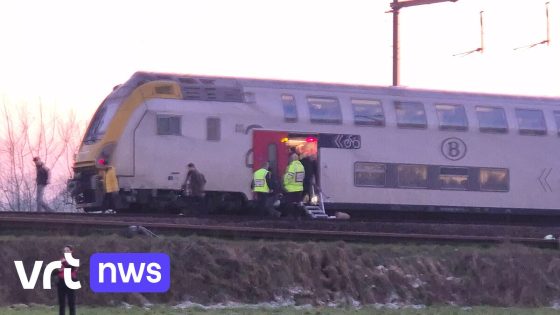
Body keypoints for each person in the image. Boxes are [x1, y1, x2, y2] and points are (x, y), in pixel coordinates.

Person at [57, 245, 78, 315]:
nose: (66, 252)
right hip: (61, 282)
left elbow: (72, 269)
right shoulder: (61, 260)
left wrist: (63, 264)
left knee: (71, 302)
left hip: (71, 281)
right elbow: (56, 271)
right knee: (61, 303)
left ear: (71, 251)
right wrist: (58, 270)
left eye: (67, 250)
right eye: (65, 251)